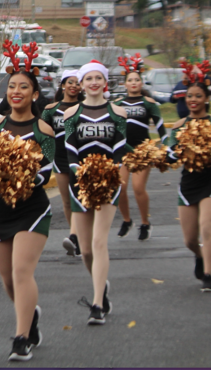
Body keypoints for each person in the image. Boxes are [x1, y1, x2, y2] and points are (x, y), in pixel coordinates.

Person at [0, 42, 56, 361]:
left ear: (35, 93)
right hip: (0, 209)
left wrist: (19, 176)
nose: (16, 91)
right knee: (7, 279)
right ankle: (31, 316)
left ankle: (21, 337)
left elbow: (46, 173)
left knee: (21, 272)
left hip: (32, 209)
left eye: (23, 86)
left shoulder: (43, 130)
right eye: (11, 86)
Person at [63, 60, 128, 325]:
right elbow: (70, 150)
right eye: (88, 78)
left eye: (97, 78)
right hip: (79, 182)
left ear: (105, 82)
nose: (93, 82)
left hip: (108, 182)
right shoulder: (71, 115)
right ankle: (101, 287)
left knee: (100, 242)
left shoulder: (118, 113)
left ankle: (97, 303)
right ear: (81, 83)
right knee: (87, 251)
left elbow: (120, 150)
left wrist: (110, 174)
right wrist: (82, 172)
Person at [165, 61, 211, 292]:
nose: (192, 100)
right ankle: (200, 256)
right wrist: (175, 151)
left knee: (206, 228)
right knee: (190, 240)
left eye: (198, 96)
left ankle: (209, 275)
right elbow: (170, 157)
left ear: (206, 99)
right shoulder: (180, 126)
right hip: (188, 184)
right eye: (189, 96)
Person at [115, 55, 167, 241]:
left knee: (138, 188)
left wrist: (165, 148)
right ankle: (127, 221)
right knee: (119, 187)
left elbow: (162, 130)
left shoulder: (149, 103)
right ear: (125, 84)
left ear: (141, 82)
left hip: (142, 151)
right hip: (123, 150)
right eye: (130, 80)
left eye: (137, 79)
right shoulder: (118, 105)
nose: (134, 82)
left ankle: (145, 222)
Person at [40, 70, 84, 258]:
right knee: (66, 201)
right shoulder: (51, 109)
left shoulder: (85, 107)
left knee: (78, 199)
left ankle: (75, 237)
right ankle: (77, 239)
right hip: (59, 158)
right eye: (70, 82)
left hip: (80, 158)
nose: (74, 86)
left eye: (77, 83)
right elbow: (41, 132)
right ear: (63, 85)